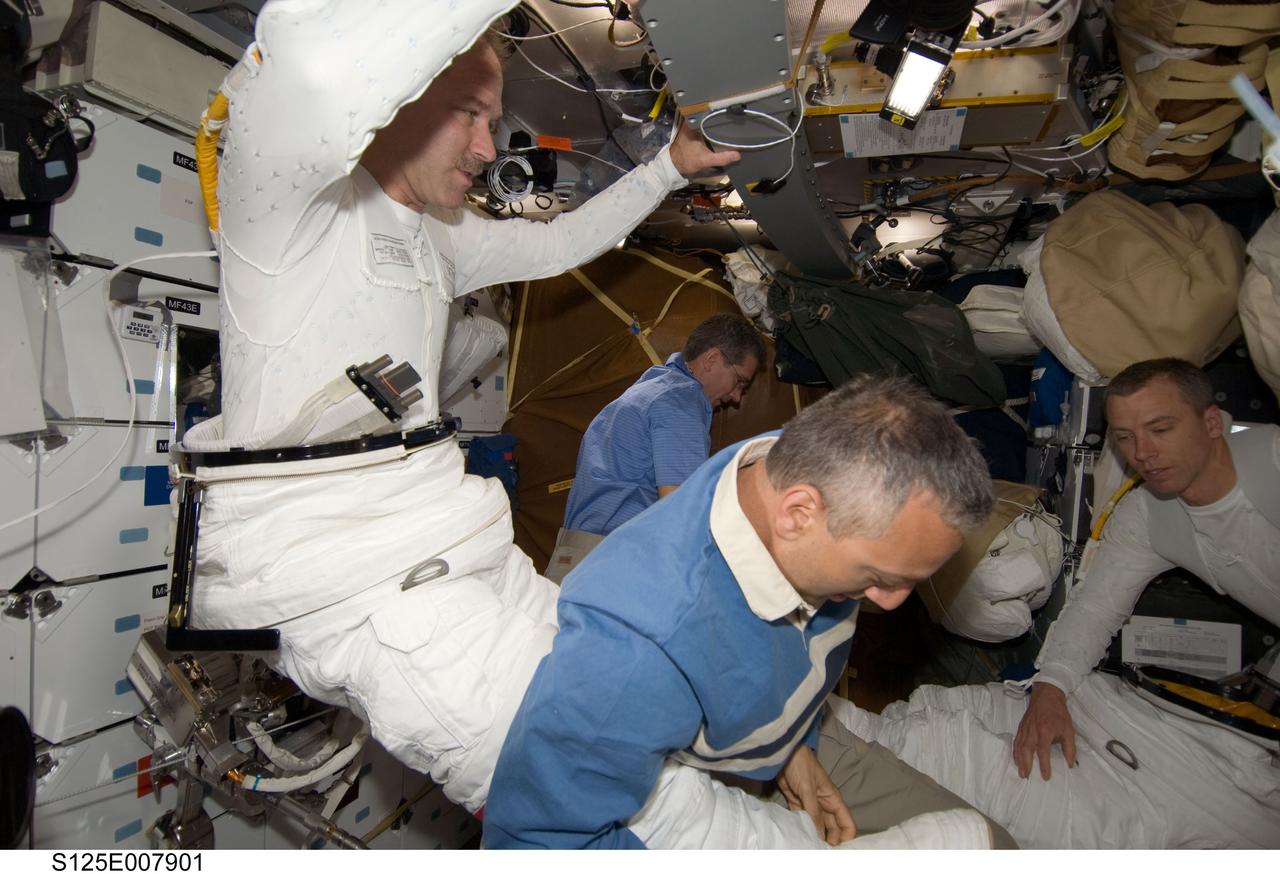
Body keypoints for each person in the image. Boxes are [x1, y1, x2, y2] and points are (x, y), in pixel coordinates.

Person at [175, 0, 863, 850]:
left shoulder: (433, 239)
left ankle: (766, 772)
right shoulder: (283, 211)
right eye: (468, 114)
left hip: (445, 538)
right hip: (354, 578)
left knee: (616, 688)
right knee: (573, 758)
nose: (486, 147)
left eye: (492, 121)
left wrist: (667, 168)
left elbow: (550, 246)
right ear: (392, 99)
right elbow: (309, 57)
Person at [485, 375, 1019, 849]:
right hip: (714, 762)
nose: (889, 602)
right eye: (879, 577)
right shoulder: (636, 654)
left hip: (780, 736)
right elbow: (534, 844)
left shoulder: (776, 466)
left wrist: (794, 746)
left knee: (996, 847)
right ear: (798, 514)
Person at [1013, 358, 1280, 781]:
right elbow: (1097, 607)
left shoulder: (1272, 460)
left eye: (1161, 429)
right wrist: (1051, 687)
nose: (1143, 454)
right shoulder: (1146, 514)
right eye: (1125, 437)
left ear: (1212, 423)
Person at [546, 313, 764, 582]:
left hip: (576, 554)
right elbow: (682, 510)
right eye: (740, 381)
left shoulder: (652, 388)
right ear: (711, 360)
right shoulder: (682, 402)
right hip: (612, 565)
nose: (736, 397)